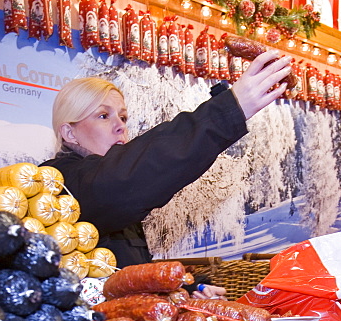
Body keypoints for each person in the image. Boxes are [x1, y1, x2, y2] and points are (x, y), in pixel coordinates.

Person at [42, 51, 291, 298]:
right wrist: (228, 110)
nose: (120, 125)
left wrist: (189, 288)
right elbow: (133, 172)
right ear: (70, 133)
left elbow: (129, 273)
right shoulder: (57, 184)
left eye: (123, 116)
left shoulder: (105, 184)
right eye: (103, 116)